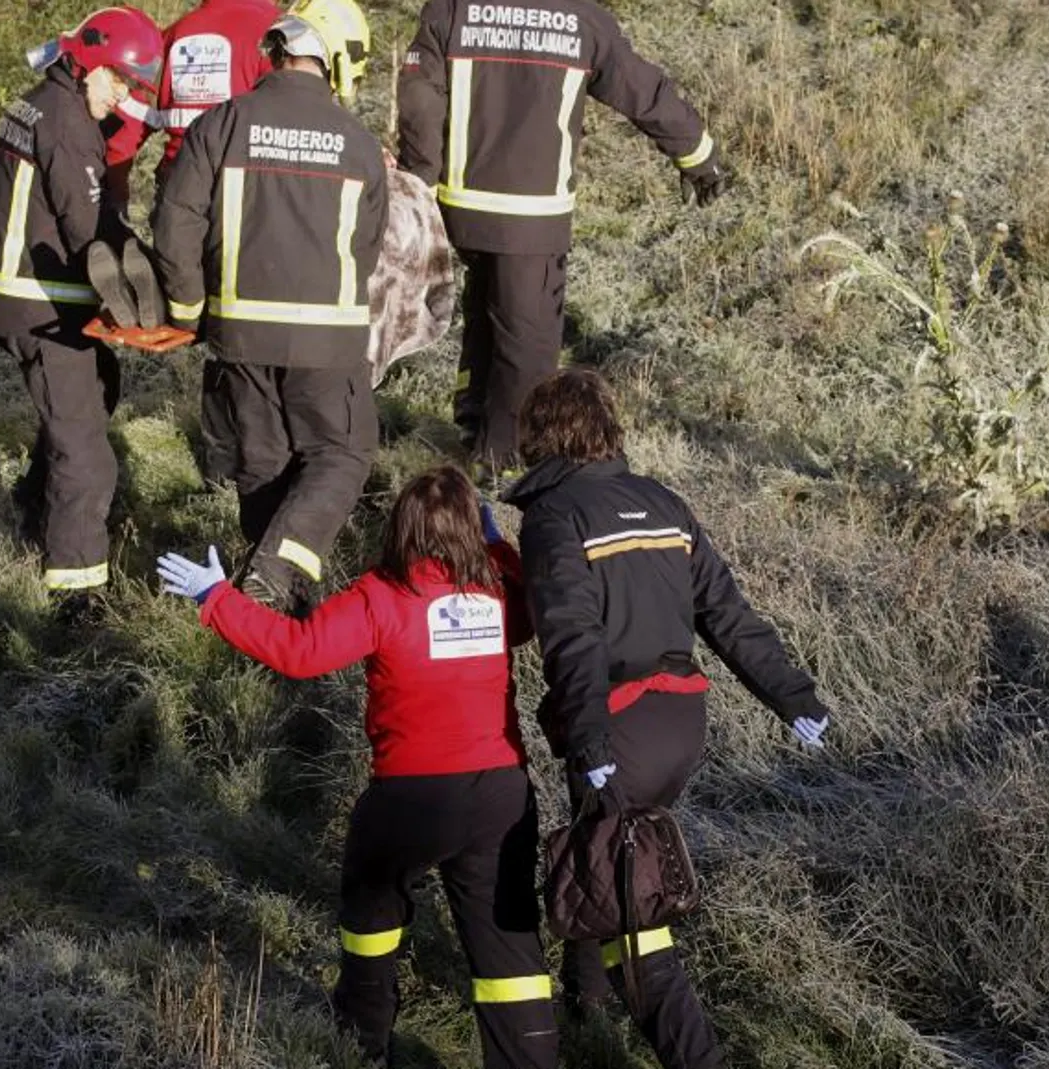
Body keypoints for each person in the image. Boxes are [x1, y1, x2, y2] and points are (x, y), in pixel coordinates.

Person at [154, 467, 558, 1069]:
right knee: (509, 949)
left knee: (371, 914)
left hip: (406, 798)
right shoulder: (498, 594)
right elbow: (536, 612)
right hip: (500, 794)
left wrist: (218, 601)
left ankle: (363, 1043)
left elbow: (299, 653)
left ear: (402, 528)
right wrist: (498, 546)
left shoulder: (380, 595)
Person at [500, 369, 831, 1069]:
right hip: (683, 723)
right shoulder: (664, 504)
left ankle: (696, 1057)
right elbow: (728, 616)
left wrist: (588, 738)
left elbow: (571, 635)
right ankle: (585, 1002)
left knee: (632, 913)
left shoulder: (555, 519)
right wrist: (794, 697)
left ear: (543, 437)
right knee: (603, 849)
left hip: (618, 727)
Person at [395, 0, 732, 481]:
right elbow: (641, 89)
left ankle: (474, 417)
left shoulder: (453, 9)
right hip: (532, 215)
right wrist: (698, 153)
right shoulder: (580, 18)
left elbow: (419, 96)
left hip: (461, 204)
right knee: (527, 340)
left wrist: (420, 179)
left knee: (487, 302)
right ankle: (504, 462)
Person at [153, 0, 386, 614]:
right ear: (335, 55)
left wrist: (185, 309)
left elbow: (174, 222)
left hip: (238, 333)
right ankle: (279, 574)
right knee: (342, 453)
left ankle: (267, 616)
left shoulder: (222, 123)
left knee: (263, 464)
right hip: (326, 340)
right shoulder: (359, 145)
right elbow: (366, 247)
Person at [0, 6, 164, 615]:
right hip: (37, 302)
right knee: (87, 455)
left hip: (18, 291)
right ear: (88, 64)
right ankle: (76, 598)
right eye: (121, 81)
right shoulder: (68, 124)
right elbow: (88, 230)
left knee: (97, 385)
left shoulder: (44, 102)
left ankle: (35, 508)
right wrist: (150, 284)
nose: (125, 96)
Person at [102, 0, 284, 204]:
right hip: (251, 198)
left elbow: (126, 129)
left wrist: (116, 202)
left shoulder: (173, 34)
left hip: (177, 193)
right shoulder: (281, 36)